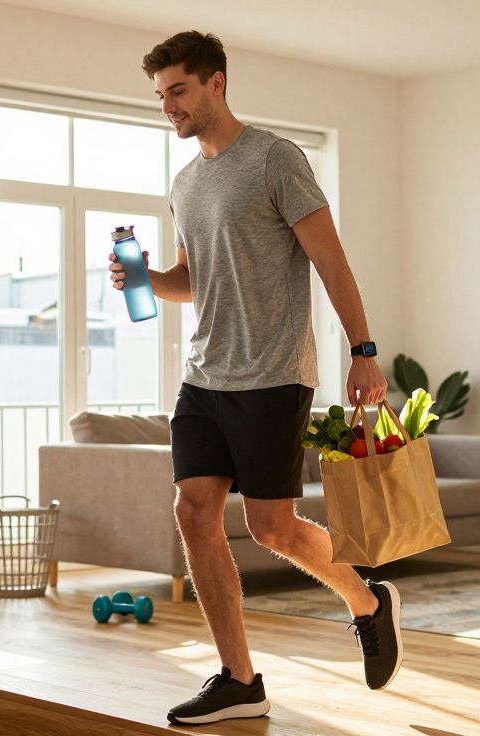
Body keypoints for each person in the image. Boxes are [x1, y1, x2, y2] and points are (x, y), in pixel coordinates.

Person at [108, 30, 403, 726]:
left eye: (177, 91)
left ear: (215, 83)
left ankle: (366, 600)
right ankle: (239, 679)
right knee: (193, 513)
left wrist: (363, 350)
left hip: (273, 374)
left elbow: (331, 260)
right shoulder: (185, 184)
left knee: (272, 529)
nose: (168, 107)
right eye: (159, 96)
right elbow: (192, 279)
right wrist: (148, 278)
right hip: (205, 376)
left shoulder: (276, 160)